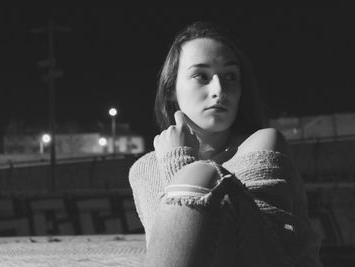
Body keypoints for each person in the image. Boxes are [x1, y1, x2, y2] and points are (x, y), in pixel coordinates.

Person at [129, 21, 323, 266]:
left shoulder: (265, 144)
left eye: (231, 76)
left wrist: (178, 161)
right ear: (171, 90)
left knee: (204, 176)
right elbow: (171, 249)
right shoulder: (145, 169)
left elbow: (262, 250)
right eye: (201, 75)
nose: (219, 89)